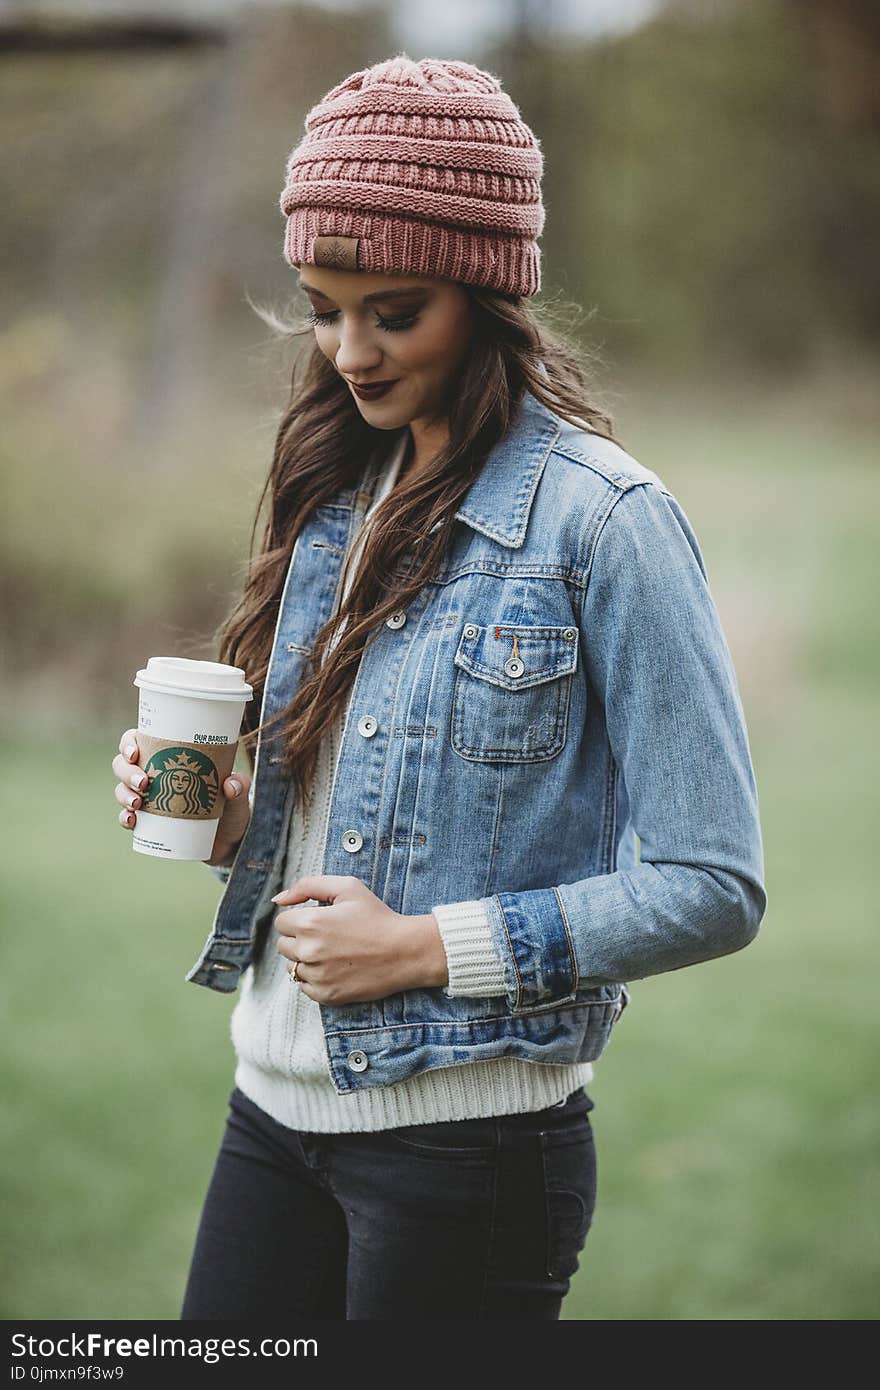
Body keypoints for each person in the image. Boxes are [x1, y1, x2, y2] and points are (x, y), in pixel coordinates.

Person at [110, 54, 766, 1321]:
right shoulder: (337, 496)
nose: (348, 352)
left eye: (392, 311)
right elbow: (377, 826)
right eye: (322, 307)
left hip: (463, 1155)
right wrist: (237, 831)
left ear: (487, 292)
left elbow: (712, 884)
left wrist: (420, 949)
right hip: (273, 1112)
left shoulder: (607, 523)